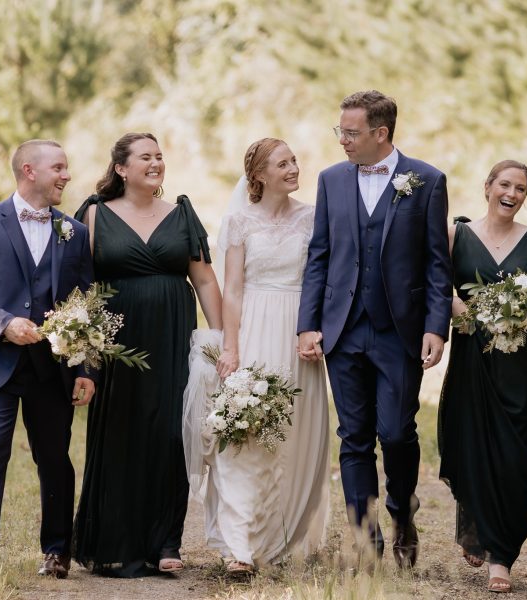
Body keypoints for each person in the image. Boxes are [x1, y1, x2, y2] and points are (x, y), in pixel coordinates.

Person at [297, 90, 452, 569]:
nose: (342, 139)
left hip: (399, 331)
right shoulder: (331, 180)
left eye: (351, 132)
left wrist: (436, 326)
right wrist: (309, 325)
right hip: (342, 330)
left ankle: (403, 511)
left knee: (397, 432)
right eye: (339, 131)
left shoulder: (425, 180)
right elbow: (319, 256)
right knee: (355, 437)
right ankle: (366, 537)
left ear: (380, 134)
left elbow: (436, 264)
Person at [71, 132, 222, 577]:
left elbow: (206, 280)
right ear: (121, 167)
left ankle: (165, 540)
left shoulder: (180, 213)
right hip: (115, 340)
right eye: (145, 157)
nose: (156, 163)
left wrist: (220, 340)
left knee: (171, 430)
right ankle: (115, 538)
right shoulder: (95, 214)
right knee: (119, 428)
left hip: (173, 334)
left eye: (160, 156)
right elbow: (81, 283)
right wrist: (83, 346)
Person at [0, 139, 96, 587]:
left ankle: (56, 552)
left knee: (54, 459)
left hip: (51, 371)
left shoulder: (75, 232)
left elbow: (83, 304)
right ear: (29, 171)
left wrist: (86, 369)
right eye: (59, 168)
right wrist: (3, 322)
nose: (66, 176)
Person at [199, 138, 330, 576]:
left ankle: (275, 534)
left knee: (292, 432)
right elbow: (232, 289)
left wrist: (315, 330)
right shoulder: (239, 222)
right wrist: (231, 347)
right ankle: (239, 546)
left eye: (294, 160)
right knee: (246, 430)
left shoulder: (314, 218)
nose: (294, 168)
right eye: (283, 163)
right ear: (259, 175)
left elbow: (322, 278)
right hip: (253, 328)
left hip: (300, 331)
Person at [438, 160, 527, 593]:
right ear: (487, 186)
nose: (512, 193)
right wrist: (463, 309)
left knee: (516, 457)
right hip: (473, 356)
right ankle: (488, 544)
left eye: (520, 188)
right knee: (472, 443)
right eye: (504, 184)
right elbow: (439, 288)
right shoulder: (458, 235)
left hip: (521, 360)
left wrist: (520, 304)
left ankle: (500, 547)